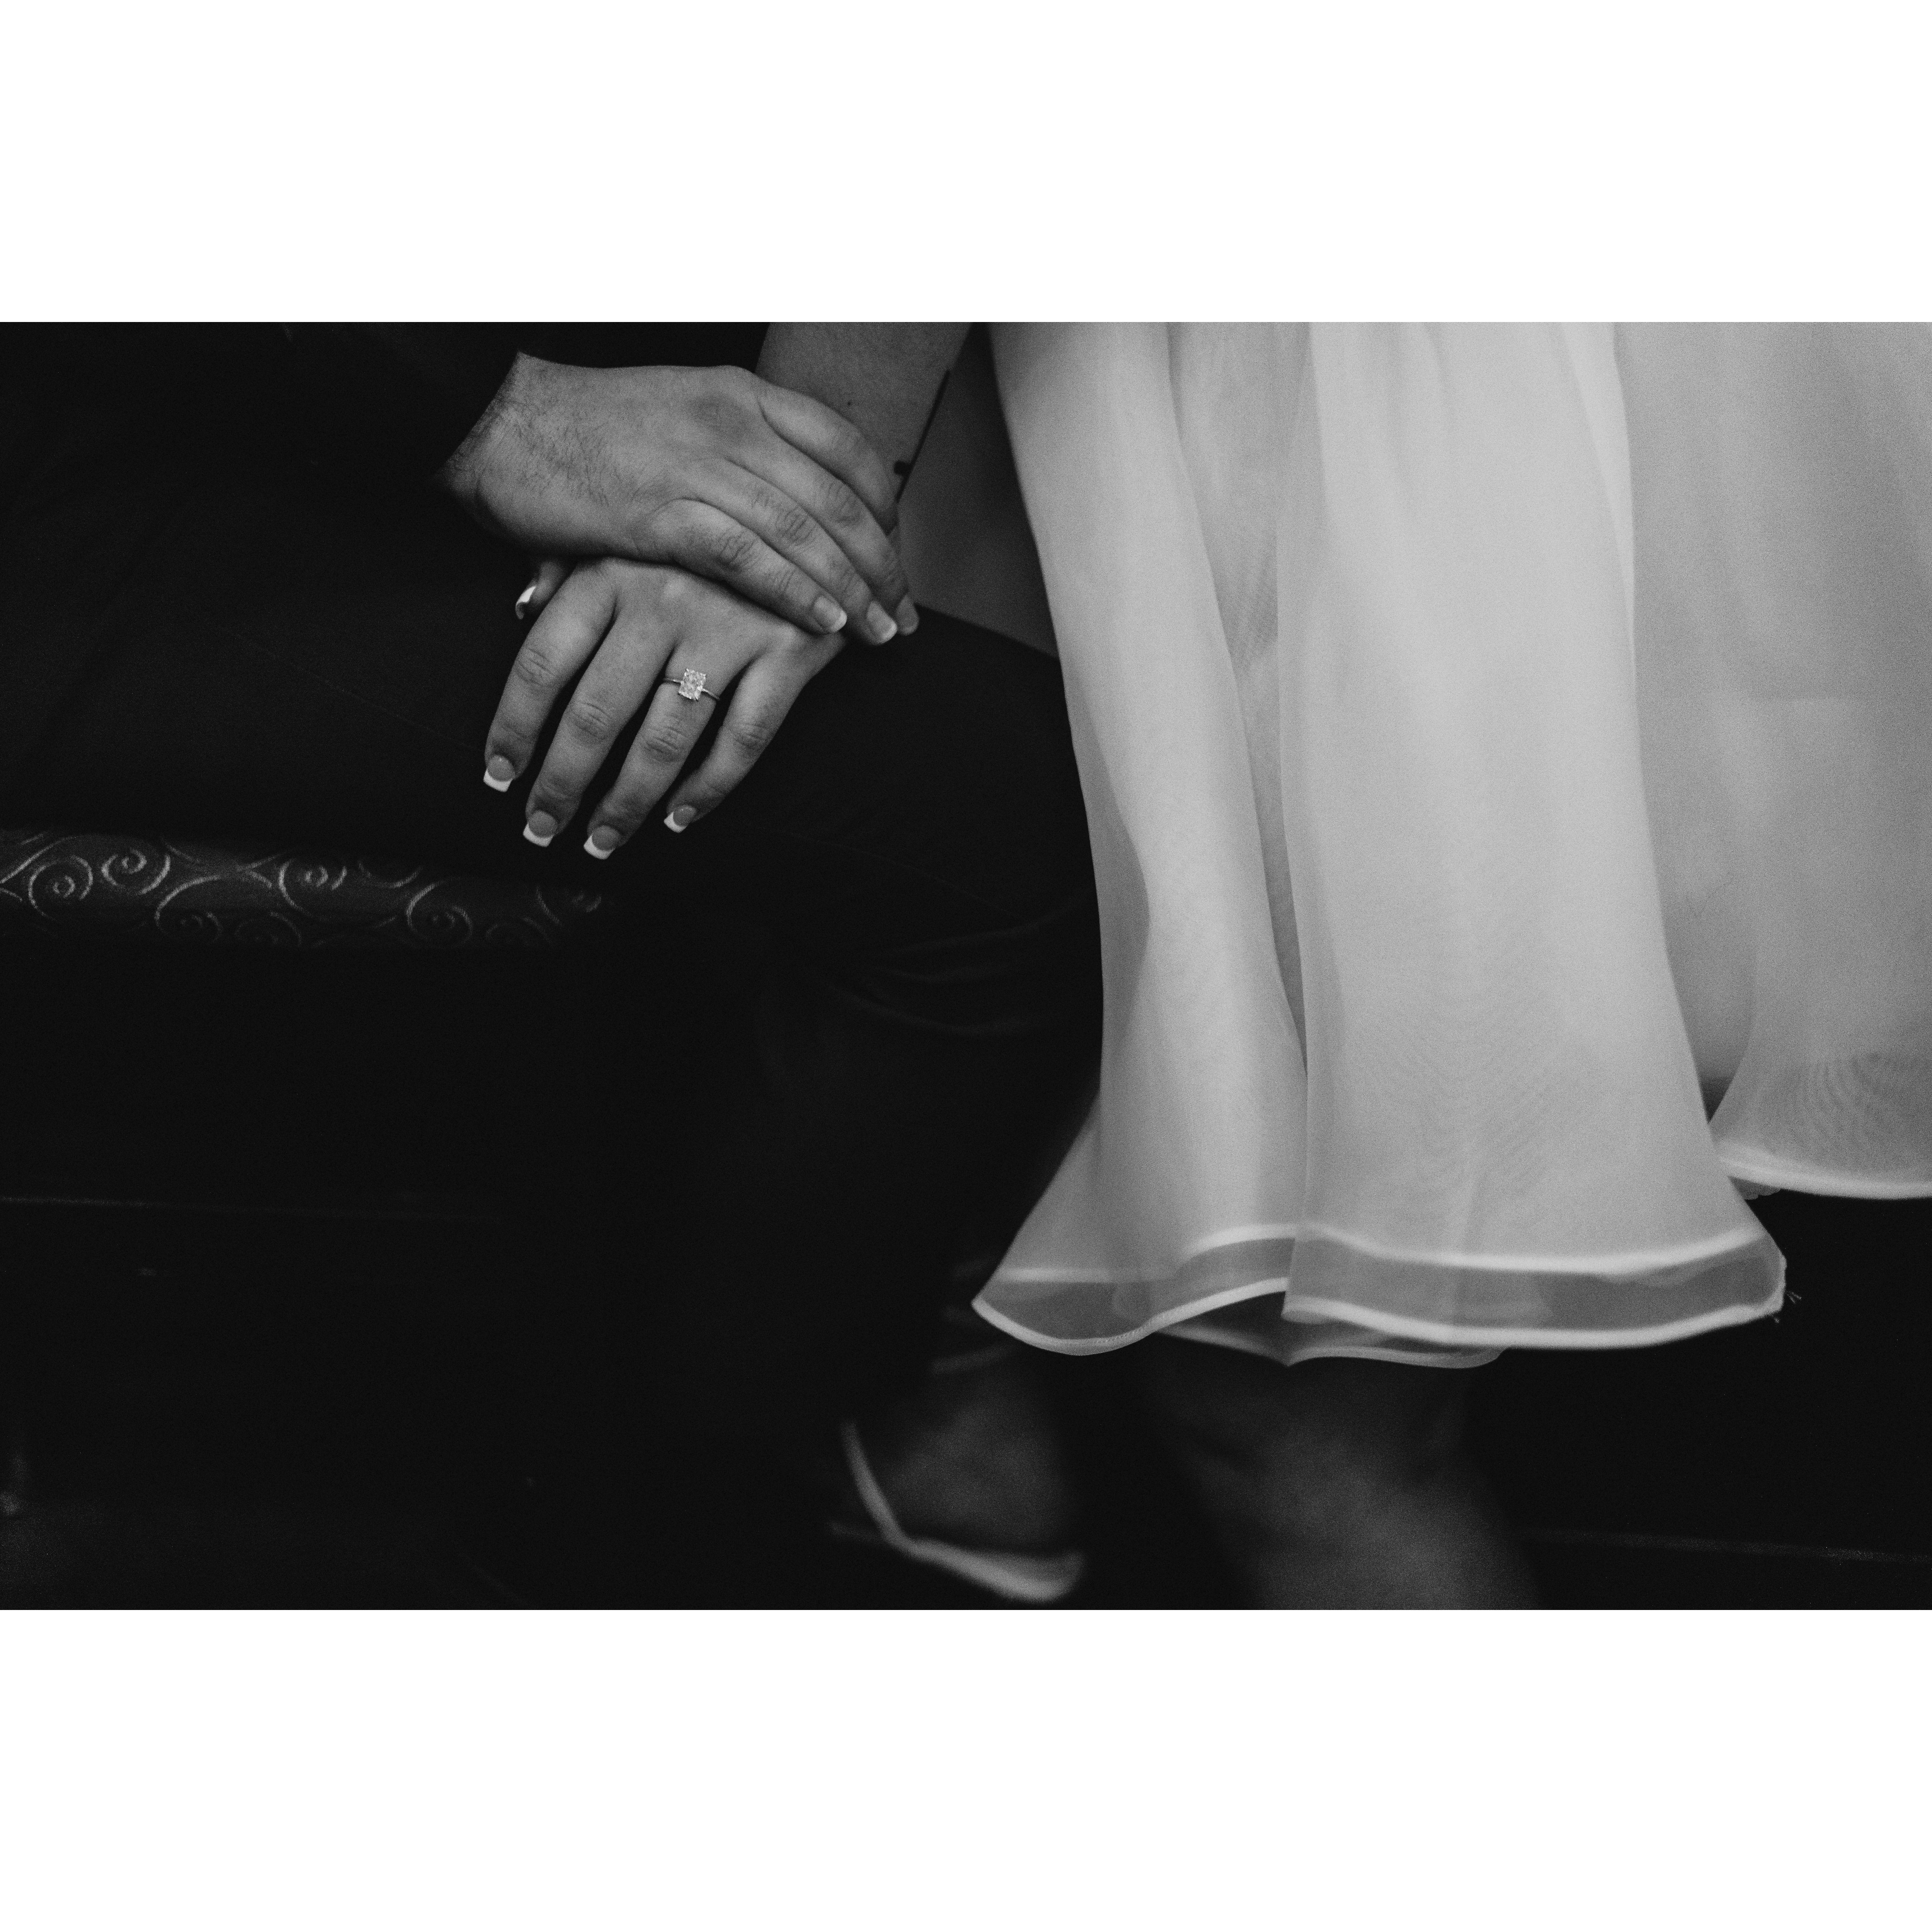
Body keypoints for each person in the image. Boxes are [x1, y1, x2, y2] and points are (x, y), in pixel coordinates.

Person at [0, 322, 1102, 1599]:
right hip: (97, 464)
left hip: (556, 393)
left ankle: (766, 1386)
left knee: (983, 768)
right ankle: (756, 1449)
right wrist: (498, 419)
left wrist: (758, 498)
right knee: (997, 820)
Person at [837, 324, 1932, 1607]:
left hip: (1365, 473)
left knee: (1289, 1414)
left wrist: (779, 492)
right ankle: (957, 1388)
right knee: (1292, 1397)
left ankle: (950, 1391)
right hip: (1677, 452)